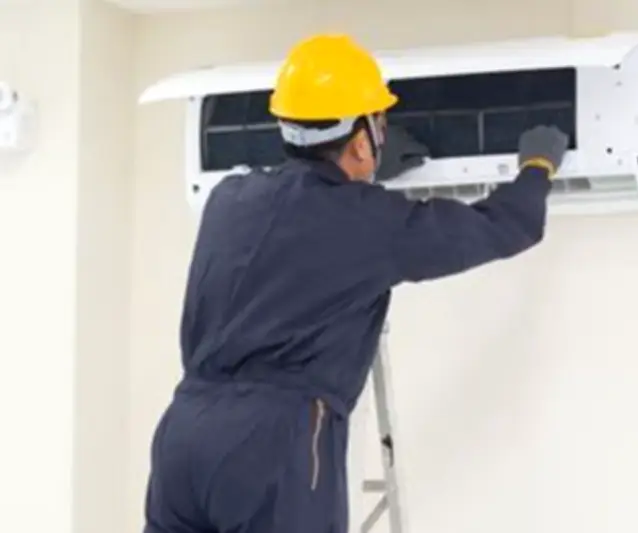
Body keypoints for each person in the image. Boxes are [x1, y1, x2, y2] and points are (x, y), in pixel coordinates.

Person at [143, 33, 568, 533]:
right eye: (379, 122)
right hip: (271, 442)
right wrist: (537, 168)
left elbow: (301, 219)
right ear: (363, 138)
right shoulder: (368, 221)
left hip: (184, 433)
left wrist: (362, 179)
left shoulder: (229, 198)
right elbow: (504, 225)